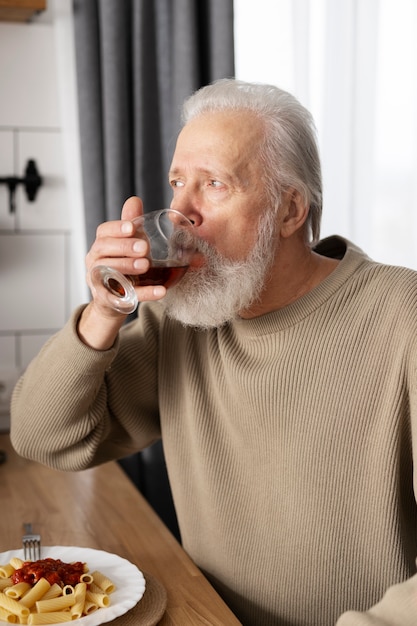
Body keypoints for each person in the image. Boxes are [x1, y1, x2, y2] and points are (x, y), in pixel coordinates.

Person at [10, 79, 417, 626]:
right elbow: (42, 436)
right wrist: (105, 311)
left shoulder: (401, 312)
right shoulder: (179, 314)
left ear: (289, 209)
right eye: (177, 182)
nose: (179, 211)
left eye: (214, 185)